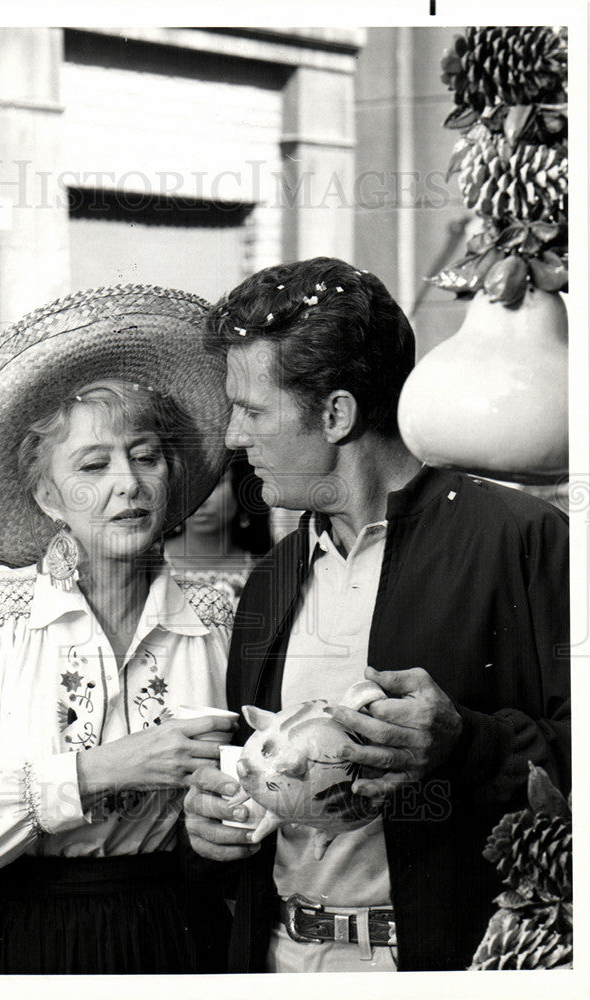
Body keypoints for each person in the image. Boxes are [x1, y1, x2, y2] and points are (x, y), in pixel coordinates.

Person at [183, 257, 570, 973]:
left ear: (335, 414)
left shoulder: (522, 539)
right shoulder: (270, 579)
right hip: (277, 960)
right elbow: (266, 777)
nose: (233, 437)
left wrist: (464, 743)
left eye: (251, 409)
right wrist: (211, 819)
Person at [0, 285, 237, 974]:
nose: (128, 483)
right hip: (21, 941)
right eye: (92, 464)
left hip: (179, 939)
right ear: (49, 498)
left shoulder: (223, 614)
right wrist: (96, 771)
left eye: (146, 455)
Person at [166, 459, 270, 608]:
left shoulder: (264, 572)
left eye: (215, 484)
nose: (201, 499)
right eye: (191, 482)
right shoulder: (149, 564)